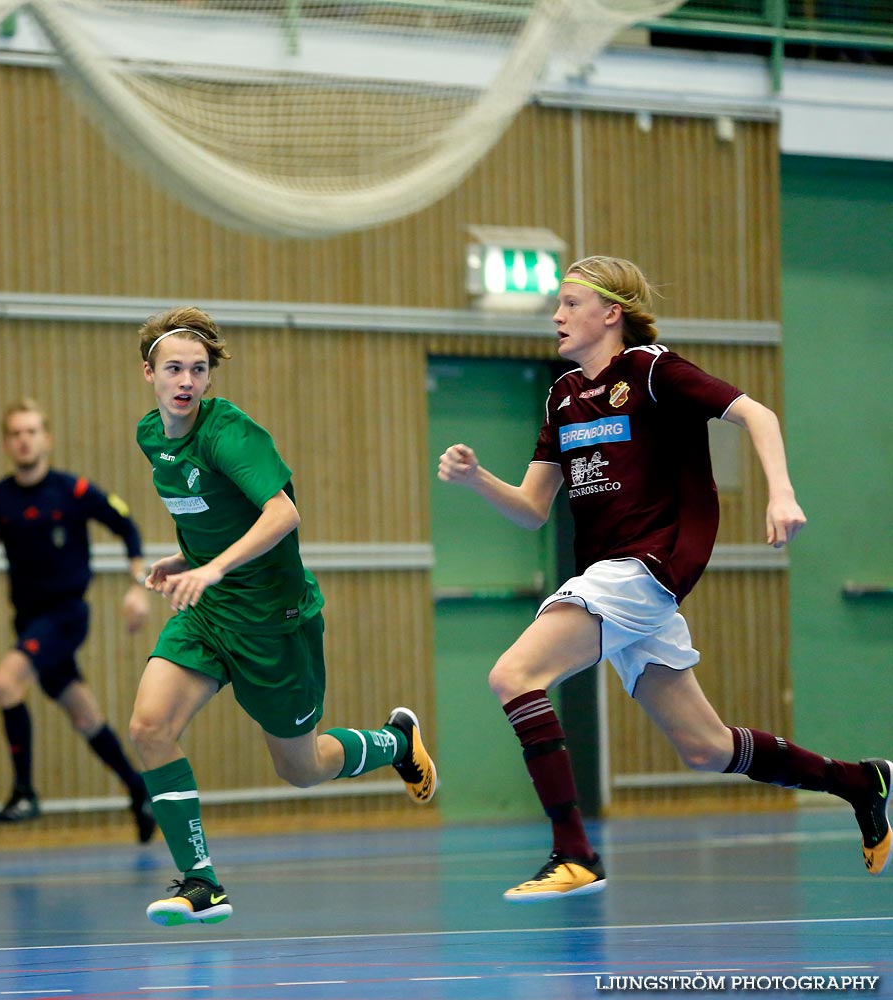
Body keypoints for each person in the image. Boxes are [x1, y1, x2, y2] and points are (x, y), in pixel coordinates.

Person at [437, 255, 891, 902]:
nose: (557, 315)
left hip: (649, 565)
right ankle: (859, 781)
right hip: (614, 577)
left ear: (610, 313)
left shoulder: (652, 371)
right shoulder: (563, 396)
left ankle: (575, 853)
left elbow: (756, 413)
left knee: (514, 675)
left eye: (570, 303)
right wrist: (478, 480)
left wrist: (780, 493)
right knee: (705, 748)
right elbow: (533, 508)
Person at [127, 306, 438, 927]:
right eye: (173, 369)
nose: (185, 380)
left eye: (197, 369)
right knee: (148, 728)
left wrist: (211, 568)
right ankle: (200, 881)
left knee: (301, 769)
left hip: (274, 619)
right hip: (209, 612)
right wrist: (184, 559)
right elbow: (210, 513)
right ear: (149, 374)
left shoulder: (229, 433)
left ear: (210, 377)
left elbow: (280, 514)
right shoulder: (151, 436)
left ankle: (395, 741)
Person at [0, 398, 157, 843]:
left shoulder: (72, 491)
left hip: (66, 616)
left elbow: (125, 524)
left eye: (32, 431)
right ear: (6, 443)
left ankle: (25, 792)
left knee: (5, 683)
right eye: (16, 433)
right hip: (29, 623)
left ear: (46, 439)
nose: (24, 440)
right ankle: (138, 789)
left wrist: (135, 583)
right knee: (85, 716)